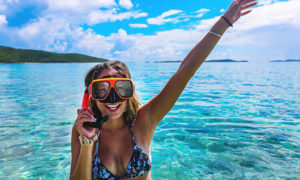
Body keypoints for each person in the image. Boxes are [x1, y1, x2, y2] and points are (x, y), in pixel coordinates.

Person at [69, 0, 258, 179]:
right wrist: (87, 144)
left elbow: (184, 72)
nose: (112, 97)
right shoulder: (82, 131)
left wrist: (224, 22)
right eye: (102, 89)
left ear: (130, 93)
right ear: (91, 96)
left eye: (121, 88)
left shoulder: (145, 120)